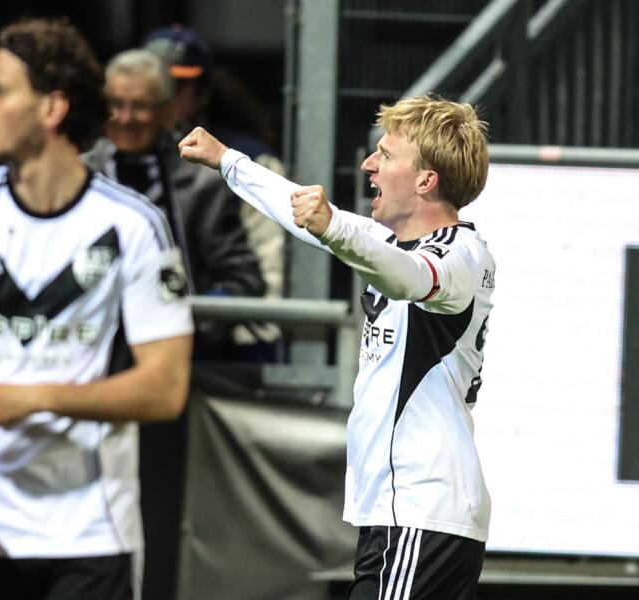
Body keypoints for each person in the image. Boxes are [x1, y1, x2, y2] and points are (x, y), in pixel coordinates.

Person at [0, 17, 193, 600]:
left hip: (93, 535)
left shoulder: (133, 225)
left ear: (52, 107)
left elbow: (165, 388)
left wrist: (37, 397)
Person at [179, 94, 494, 599]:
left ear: (425, 181)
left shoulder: (458, 254)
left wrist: (333, 227)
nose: (369, 164)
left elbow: (408, 277)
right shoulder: (393, 245)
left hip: (420, 508)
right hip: (410, 514)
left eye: (385, 155)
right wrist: (228, 160)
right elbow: (302, 212)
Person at [83, 48, 266, 359]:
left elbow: (243, 279)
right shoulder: (78, 174)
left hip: (182, 352)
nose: (125, 118)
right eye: (116, 104)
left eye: (140, 106)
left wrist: (192, 324)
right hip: (90, 347)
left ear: (168, 112)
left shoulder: (201, 182)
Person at [144, 25, 286, 359]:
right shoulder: (112, 158)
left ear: (202, 94)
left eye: (177, 86)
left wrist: (212, 322)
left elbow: (266, 269)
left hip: (232, 339)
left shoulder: (251, 160)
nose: (165, 97)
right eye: (156, 86)